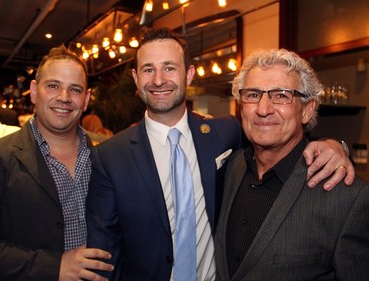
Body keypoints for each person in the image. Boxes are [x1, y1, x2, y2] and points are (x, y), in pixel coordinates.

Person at [85, 28, 354, 281]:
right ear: (135, 78)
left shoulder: (223, 133)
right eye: (148, 69)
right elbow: (104, 255)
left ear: (189, 74)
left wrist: (335, 145)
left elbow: (278, 134)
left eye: (169, 67)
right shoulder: (110, 156)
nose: (158, 80)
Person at [214, 48, 369, 281]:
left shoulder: (347, 197)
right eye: (253, 95)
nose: (263, 109)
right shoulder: (229, 168)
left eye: (281, 95)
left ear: (307, 110)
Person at [0, 45, 113, 280]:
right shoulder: (0, 157)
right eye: (53, 86)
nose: (64, 97)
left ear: (86, 99)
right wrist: (53, 266)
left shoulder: (105, 157)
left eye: (75, 89)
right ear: (35, 91)